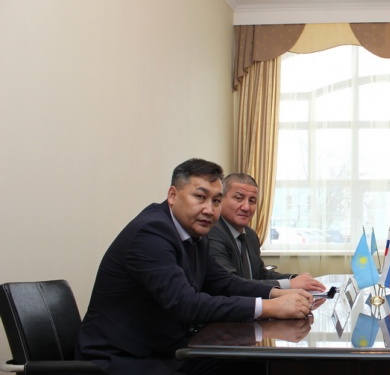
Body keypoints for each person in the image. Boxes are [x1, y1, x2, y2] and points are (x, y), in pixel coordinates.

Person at [76, 159, 314, 374]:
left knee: (252, 363)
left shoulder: (195, 232)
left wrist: (278, 293)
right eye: (200, 197)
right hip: (123, 359)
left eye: (216, 201)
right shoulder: (150, 233)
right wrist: (269, 307)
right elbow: (186, 304)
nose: (209, 209)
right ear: (173, 195)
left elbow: (223, 282)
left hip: (167, 350)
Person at [208, 173, 325, 292]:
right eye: (238, 198)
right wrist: (289, 284)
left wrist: (295, 279)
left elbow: (260, 275)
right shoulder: (212, 233)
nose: (246, 207)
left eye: (252, 201)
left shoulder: (250, 235)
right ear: (220, 199)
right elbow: (231, 284)